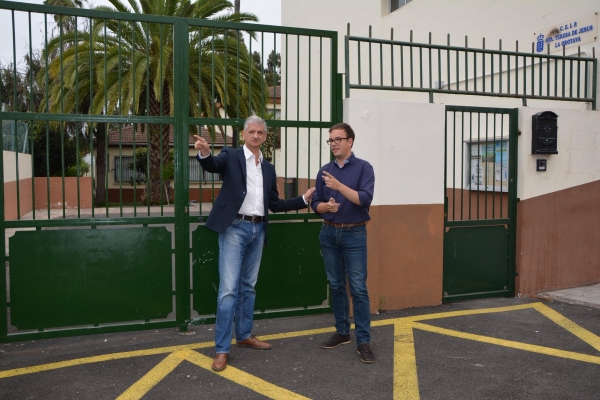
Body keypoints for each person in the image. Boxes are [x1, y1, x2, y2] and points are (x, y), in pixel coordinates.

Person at [194, 115, 315, 371]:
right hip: (234, 228)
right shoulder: (231, 156)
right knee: (228, 290)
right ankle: (222, 349)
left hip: (258, 229)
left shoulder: (268, 168)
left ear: (265, 136)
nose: (256, 135)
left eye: (260, 132)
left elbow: (275, 204)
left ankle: (245, 335)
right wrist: (205, 154)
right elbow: (213, 165)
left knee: (248, 286)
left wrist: (303, 199)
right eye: (251, 131)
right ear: (243, 134)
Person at [311, 122, 376, 363]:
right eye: (331, 140)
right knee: (336, 285)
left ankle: (363, 340)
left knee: (358, 287)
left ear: (350, 141)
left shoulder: (364, 168)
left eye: (338, 139)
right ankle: (342, 331)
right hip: (329, 233)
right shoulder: (325, 170)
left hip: (354, 233)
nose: (334, 144)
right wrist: (325, 207)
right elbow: (315, 204)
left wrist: (339, 186)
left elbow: (365, 199)